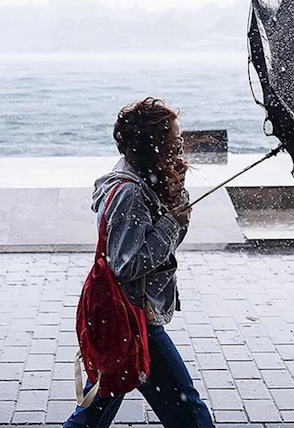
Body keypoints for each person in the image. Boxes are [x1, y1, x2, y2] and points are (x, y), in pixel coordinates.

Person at [63, 97, 214, 428]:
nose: (180, 151)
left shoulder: (140, 178)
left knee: (94, 412)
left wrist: (175, 205)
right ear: (153, 147)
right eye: (174, 144)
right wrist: (171, 223)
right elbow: (127, 264)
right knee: (190, 414)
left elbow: (159, 249)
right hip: (134, 318)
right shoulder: (131, 193)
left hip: (124, 316)